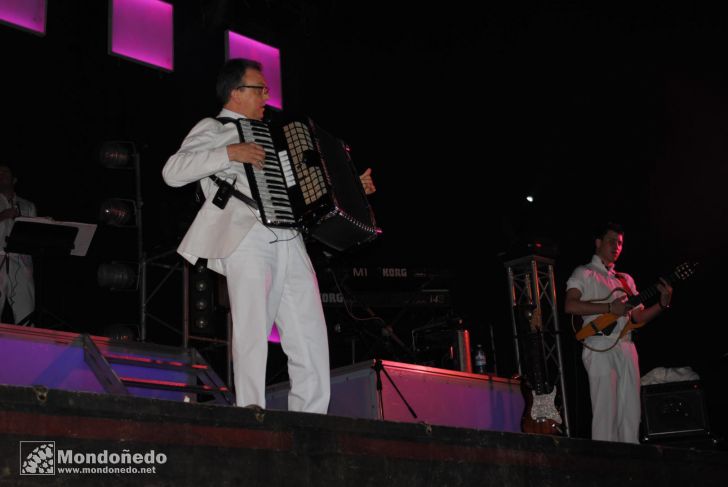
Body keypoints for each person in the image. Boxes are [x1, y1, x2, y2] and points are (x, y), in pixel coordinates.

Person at [162, 58, 375, 413]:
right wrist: (230, 151)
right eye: (259, 89)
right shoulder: (214, 127)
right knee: (252, 329)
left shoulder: (273, 135)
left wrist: (352, 188)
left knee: (309, 332)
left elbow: (302, 190)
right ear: (235, 92)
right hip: (247, 236)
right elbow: (172, 171)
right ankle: (251, 411)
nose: (266, 96)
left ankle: (311, 417)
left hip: (291, 238)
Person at [564, 222, 672, 443]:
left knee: (631, 413)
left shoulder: (625, 279)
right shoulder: (584, 272)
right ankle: (605, 467)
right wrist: (609, 308)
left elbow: (638, 317)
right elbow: (570, 305)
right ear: (598, 242)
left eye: (620, 243)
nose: (617, 246)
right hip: (599, 344)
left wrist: (662, 305)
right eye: (612, 241)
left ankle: (631, 465)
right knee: (606, 411)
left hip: (627, 346)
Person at [0, 164, 37, 326]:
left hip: (22, 262)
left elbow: (35, 236)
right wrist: (2, 216)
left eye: (5, 172)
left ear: (14, 179)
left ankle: (27, 349)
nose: (1, 174)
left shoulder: (27, 205)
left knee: (26, 311)